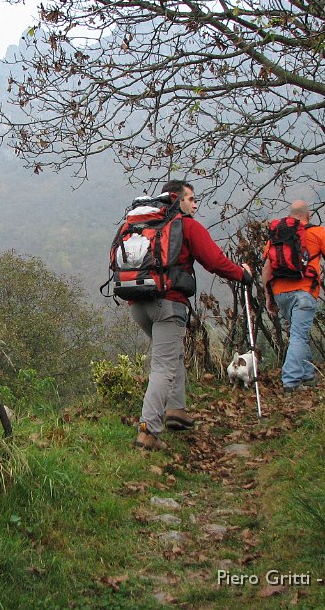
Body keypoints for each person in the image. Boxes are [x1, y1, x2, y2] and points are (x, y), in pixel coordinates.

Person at [131, 179, 252, 451]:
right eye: (191, 198)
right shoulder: (186, 226)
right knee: (162, 366)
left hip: (137, 304)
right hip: (168, 304)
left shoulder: (142, 225)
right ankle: (148, 431)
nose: (195, 204)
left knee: (173, 356)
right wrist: (242, 274)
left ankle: (176, 411)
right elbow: (215, 261)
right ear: (177, 199)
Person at [261, 200, 325, 393]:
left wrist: (269, 297)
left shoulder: (277, 236)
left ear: (291, 215)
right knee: (299, 336)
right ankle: (291, 381)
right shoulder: (317, 232)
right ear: (307, 216)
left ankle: (308, 375)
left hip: (280, 293)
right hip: (304, 292)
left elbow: (266, 268)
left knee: (299, 333)